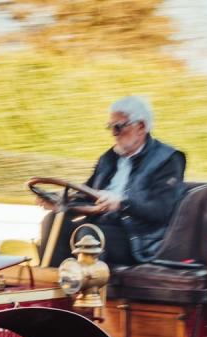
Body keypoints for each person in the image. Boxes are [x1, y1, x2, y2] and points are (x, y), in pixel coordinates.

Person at [40, 96, 186, 266]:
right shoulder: (108, 159)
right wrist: (60, 202)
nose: (113, 133)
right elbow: (86, 195)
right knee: (54, 220)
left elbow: (162, 211)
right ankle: (56, 284)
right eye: (110, 127)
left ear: (141, 127)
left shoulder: (168, 159)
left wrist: (122, 204)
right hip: (101, 226)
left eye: (118, 127)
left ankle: (89, 288)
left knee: (88, 234)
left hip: (137, 240)